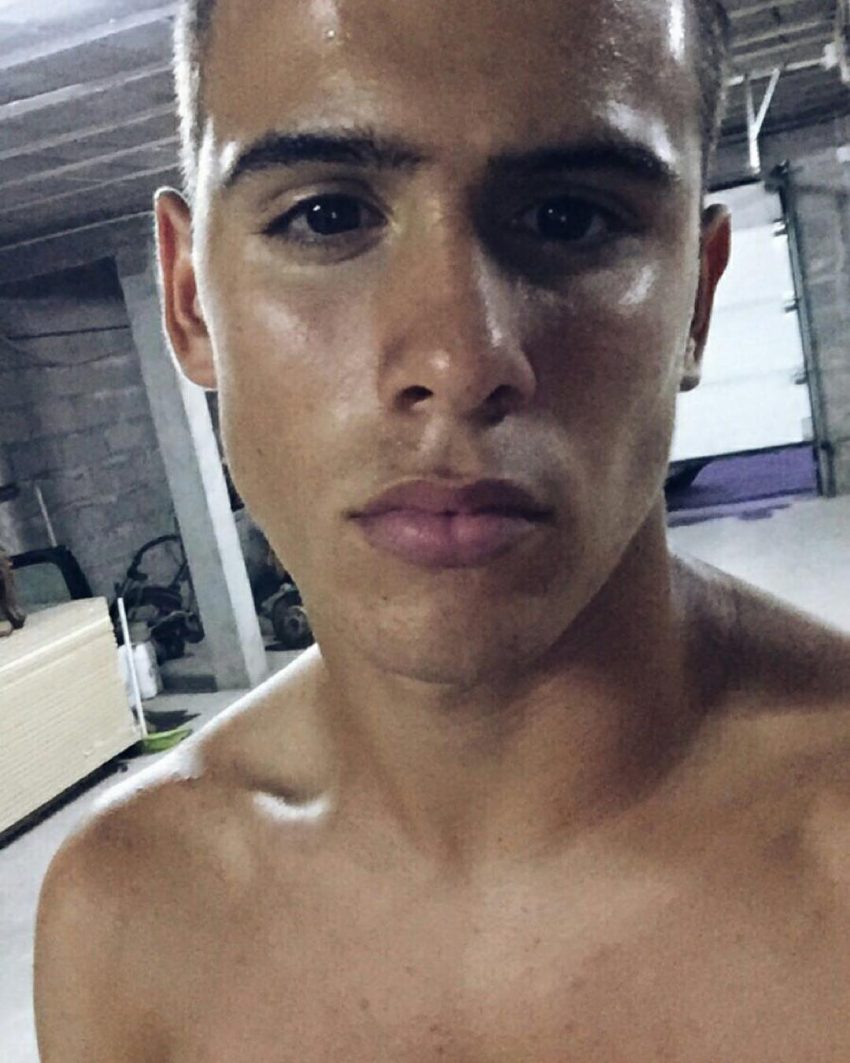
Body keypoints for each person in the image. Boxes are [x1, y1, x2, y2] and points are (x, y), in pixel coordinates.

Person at [34, 0, 850, 1058]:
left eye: (569, 217)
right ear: (190, 301)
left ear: (694, 303)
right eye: (326, 216)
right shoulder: (125, 915)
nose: (459, 363)